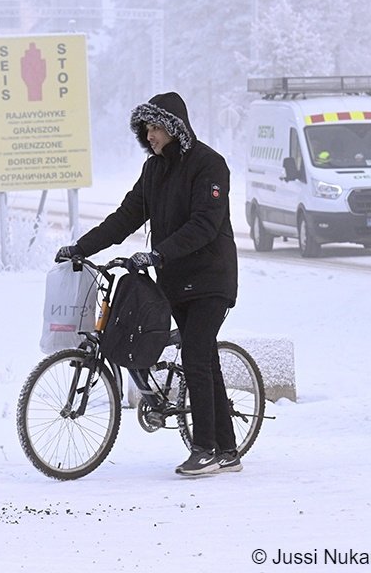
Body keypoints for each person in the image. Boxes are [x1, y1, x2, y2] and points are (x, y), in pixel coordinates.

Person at [55, 92, 240, 475]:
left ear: (174, 128)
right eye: (146, 128)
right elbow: (125, 218)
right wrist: (81, 247)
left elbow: (205, 225)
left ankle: (204, 448)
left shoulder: (210, 166)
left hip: (210, 278)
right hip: (175, 281)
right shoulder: (153, 171)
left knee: (194, 354)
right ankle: (228, 449)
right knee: (204, 359)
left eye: (156, 127)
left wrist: (158, 254)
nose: (150, 135)